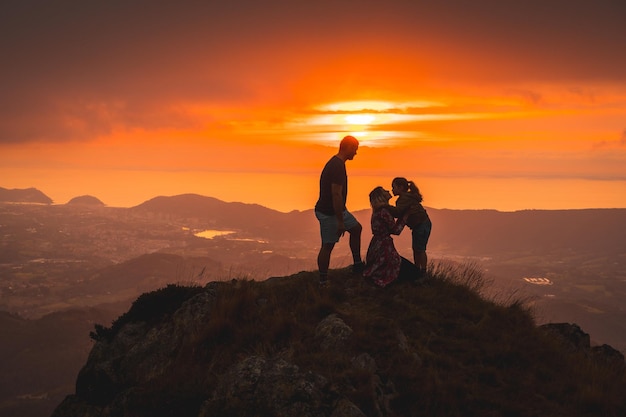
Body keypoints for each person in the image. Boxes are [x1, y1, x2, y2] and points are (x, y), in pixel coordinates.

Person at [314, 135, 364, 287]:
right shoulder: (337, 166)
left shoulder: (337, 164)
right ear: (348, 148)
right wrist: (340, 222)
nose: (356, 153)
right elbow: (336, 194)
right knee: (328, 245)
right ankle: (323, 281)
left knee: (356, 229)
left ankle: (357, 264)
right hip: (330, 212)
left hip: (337, 210)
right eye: (355, 149)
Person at [362, 186, 423, 287]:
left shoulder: (377, 212)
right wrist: (406, 215)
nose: (388, 191)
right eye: (384, 191)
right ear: (381, 196)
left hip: (376, 247)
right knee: (414, 272)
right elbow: (396, 230)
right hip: (385, 249)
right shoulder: (384, 212)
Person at [389, 177, 432, 276]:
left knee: (420, 249)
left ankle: (422, 272)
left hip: (421, 224)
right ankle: (418, 270)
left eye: (394, 187)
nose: (392, 190)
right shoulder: (408, 197)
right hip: (422, 224)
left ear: (401, 187)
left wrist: (385, 206)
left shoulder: (404, 198)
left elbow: (398, 212)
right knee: (417, 248)